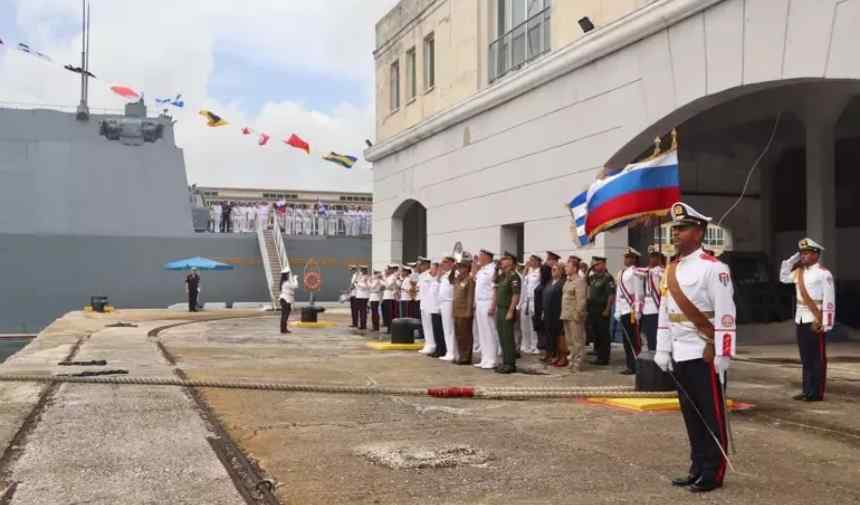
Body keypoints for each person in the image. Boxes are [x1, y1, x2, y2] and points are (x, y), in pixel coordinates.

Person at [653, 202, 736, 493]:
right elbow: (665, 311)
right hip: (679, 351)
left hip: (705, 352)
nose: (676, 233)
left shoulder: (715, 269)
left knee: (710, 414)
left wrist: (724, 352)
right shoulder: (671, 268)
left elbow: (726, 313)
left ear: (699, 232)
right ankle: (698, 466)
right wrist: (662, 349)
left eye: (683, 228)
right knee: (691, 415)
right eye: (675, 228)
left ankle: (714, 472)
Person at [779, 238, 835, 402]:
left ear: (816, 255)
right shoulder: (799, 272)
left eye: (807, 253)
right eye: (802, 253)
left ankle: (816, 393)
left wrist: (825, 322)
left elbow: (830, 300)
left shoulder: (824, 273)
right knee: (806, 358)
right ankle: (806, 390)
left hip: (815, 319)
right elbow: (783, 277)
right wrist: (791, 260)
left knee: (817, 358)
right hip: (801, 318)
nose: (803, 256)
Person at [615, 247, 644, 375]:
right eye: (625, 257)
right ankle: (630, 365)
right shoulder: (621, 273)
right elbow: (618, 293)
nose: (626, 259)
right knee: (626, 341)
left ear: (634, 259)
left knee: (634, 340)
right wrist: (617, 310)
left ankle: (637, 364)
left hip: (631, 310)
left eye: (629, 257)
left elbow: (639, 292)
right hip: (623, 310)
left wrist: (638, 310)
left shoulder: (636, 272)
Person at [495, 251, 522, 374]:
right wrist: (496, 269)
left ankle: (510, 363)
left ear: (510, 264)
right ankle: (505, 361)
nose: (502, 262)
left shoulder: (514, 276)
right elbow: (493, 281)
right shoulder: (502, 276)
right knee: (501, 336)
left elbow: (516, 295)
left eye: (505, 260)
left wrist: (511, 311)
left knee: (508, 337)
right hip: (500, 309)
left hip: (507, 309)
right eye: (502, 261)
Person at [561, 256, 588, 371]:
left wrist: (578, 313)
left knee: (578, 340)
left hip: (575, 315)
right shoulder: (567, 281)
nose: (566, 268)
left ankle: (577, 363)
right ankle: (571, 360)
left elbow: (581, 300)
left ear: (575, 268)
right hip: (566, 314)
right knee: (569, 341)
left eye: (568, 266)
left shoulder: (579, 281)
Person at [637, 246, 666, 351]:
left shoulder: (663, 271)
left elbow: (663, 275)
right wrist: (650, 269)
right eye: (651, 257)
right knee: (649, 334)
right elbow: (636, 271)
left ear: (660, 258)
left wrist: (656, 270)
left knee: (656, 335)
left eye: (655, 257)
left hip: (657, 306)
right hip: (647, 307)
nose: (652, 259)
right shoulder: (648, 271)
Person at [474, 250, 500, 369]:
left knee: (490, 331)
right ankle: (485, 358)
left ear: (487, 257)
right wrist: (474, 265)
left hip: (488, 302)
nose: (479, 257)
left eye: (481, 256)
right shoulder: (482, 269)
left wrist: (493, 305)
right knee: (482, 332)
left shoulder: (493, 269)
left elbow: (495, 289)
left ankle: (492, 359)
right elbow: (474, 278)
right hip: (479, 302)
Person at [587, 257, 615, 366]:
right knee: (596, 333)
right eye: (594, 265)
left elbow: (611, 295)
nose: (595, 266)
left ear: (604, 264)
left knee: (603, 334)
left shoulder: (608, 278)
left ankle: (604, 358)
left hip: (602, 309)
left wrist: (608, 309)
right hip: (593, 309)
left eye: (598, 264)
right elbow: (585, 280)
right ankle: (598, 355)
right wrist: (590, 268)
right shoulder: (593, 277)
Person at [452, 253, 476, 365]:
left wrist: (468, 311)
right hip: (456, 310)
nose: (459, 269)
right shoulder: (458, 278)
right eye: (458, 267)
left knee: (465, 335)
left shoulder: (469, 279)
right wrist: (453, 269)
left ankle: (466, 357)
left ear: (467, 268)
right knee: (458, 335)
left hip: (464, 311)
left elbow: (470, 296)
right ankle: (461, 355)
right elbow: (450, 279)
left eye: (461, 267)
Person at [542, 263, 565, 366]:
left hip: (557, 313)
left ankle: (559, 356)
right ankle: (551, 354)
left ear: (561, 271)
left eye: (555, 269)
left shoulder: (562, 283)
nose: (553, 271)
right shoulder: (550, 282)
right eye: (552, 269)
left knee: (558, 335)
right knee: (549, 334)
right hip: (548, 313)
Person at [519, 255, 542, 355]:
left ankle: (535, 345)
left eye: (532, 260)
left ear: (537, 261)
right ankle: (526, 345)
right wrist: (525, 270)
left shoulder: (540, 272)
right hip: (526, 300)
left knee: (533, 326)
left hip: (534, 301)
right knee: (524, 325)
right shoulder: (529, 272)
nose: (530, 262)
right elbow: (523, 284)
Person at [438, 256, 458, 362]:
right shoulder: (445, 274)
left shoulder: (454, 273)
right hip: (443, 302)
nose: (442, 264)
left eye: (445, 262)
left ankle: (452, 352)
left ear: (451, 263)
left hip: (450, 302)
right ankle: (449, 351)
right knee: (446, 329)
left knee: (450, 328)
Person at [533, 263, 552, 361]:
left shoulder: (548, 284)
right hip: (538, 311)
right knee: (541, 333)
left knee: (546, 334)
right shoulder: (542, 284)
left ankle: (548, 353)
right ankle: (545, 353)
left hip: (544, 312)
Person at [427, 262, 446, 358]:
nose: (431, 271)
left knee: (440, 330)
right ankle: (438, 348)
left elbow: (440, 295)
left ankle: (442, 349)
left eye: (433, 269)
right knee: (436, 331)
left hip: (438, 309)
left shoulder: (442, 280)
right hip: (433, 308)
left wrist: (439, 308)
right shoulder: (434, 280)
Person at [278, 268, 298, 334]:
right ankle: (284, 330)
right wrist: (295, 278)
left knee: (284, 315)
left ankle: (283, 329)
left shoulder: (283, 282)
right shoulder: (286, 283)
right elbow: (295, 286)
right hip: (286, 301)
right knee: (285, 315)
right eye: (288, 274)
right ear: (286, 275)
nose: (289, 275)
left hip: (284, 300)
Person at [382, 265, 399, 333]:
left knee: (391, 314)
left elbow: (387, 285)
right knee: (386, 313)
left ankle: (391, 328)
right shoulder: (388, 277)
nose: (387, 271)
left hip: (390, 297)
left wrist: (382, 280)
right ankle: (388, 327)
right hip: (386, 296)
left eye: (389, 269)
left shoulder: (393, 277)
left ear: (392, 270)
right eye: (387, 269)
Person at [354, 266, 371, 330]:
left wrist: (358, 284)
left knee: (363, 311)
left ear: (365, 270)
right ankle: (361, 324)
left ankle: (363, 325)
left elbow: (366, 287)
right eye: (361, 270)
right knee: (360, 311)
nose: (361, 271)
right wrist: (357, 284)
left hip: (364, 296)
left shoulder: (368, 277)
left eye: (362, 270)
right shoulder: (360, 277)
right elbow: (356, 285)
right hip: (359, 296)